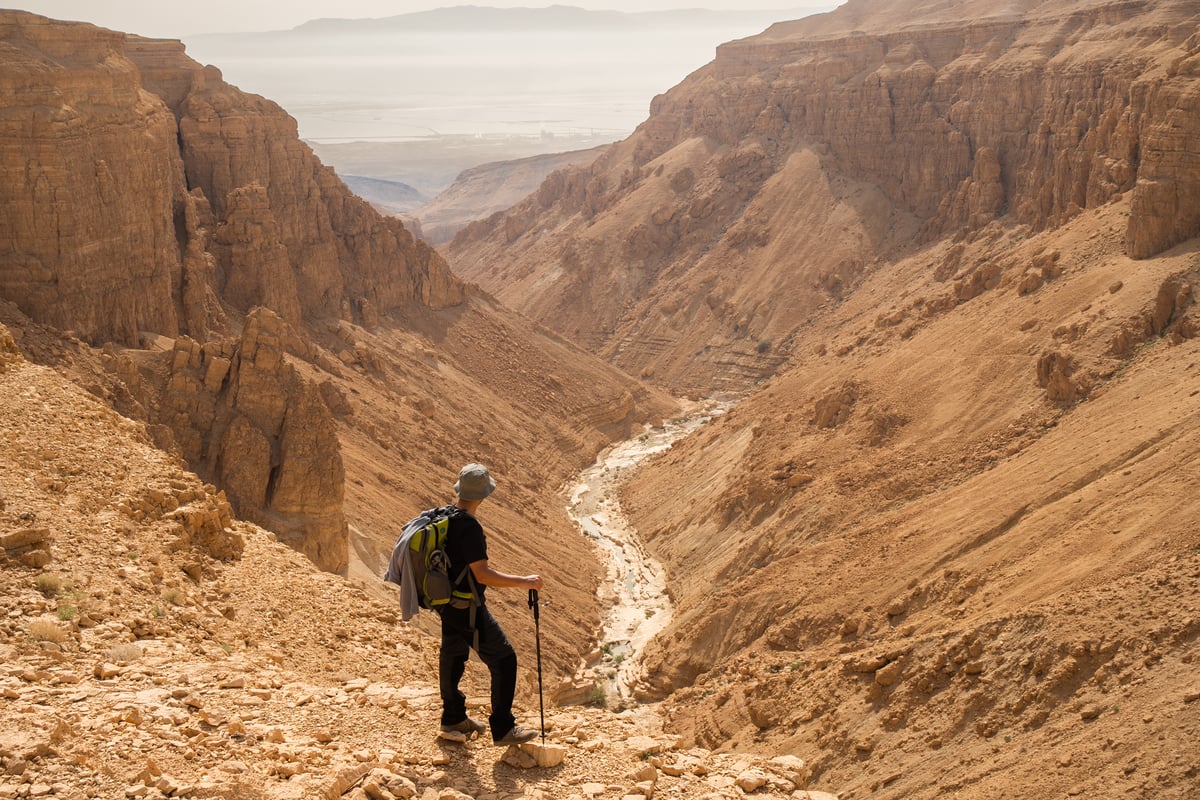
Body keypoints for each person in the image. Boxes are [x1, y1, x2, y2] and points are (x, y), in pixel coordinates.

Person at [438, 463, 543, 745]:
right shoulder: (469, 527)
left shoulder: (445, 516)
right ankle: (504, 728)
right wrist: (525, 581)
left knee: (453, 655)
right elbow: (482, 574)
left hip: (445, 602)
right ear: (484, 495)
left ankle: (452, 719)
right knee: (504, 658)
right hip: (466, 606)